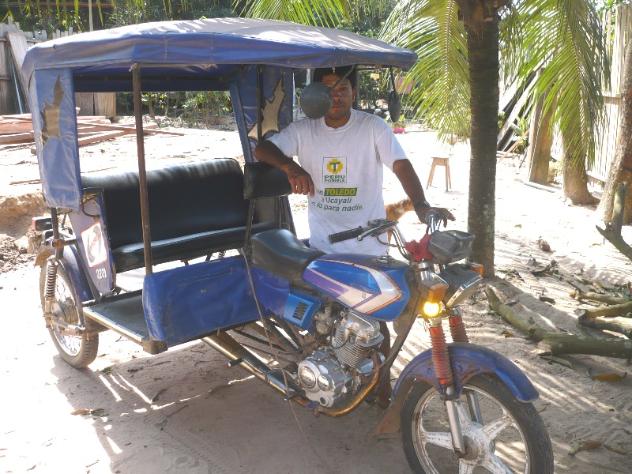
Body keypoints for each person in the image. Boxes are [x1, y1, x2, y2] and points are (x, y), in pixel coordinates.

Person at [254, 65, 454, 255]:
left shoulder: (373, 127)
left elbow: (400, 165)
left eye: (343, 89)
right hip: (323, 248)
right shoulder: (302, 130)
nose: (336, 96)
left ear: (354, 93)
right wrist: (290, 167)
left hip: (370, 247)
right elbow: (262, 149)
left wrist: (420, 204)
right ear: (317, 94)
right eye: (328, 90)